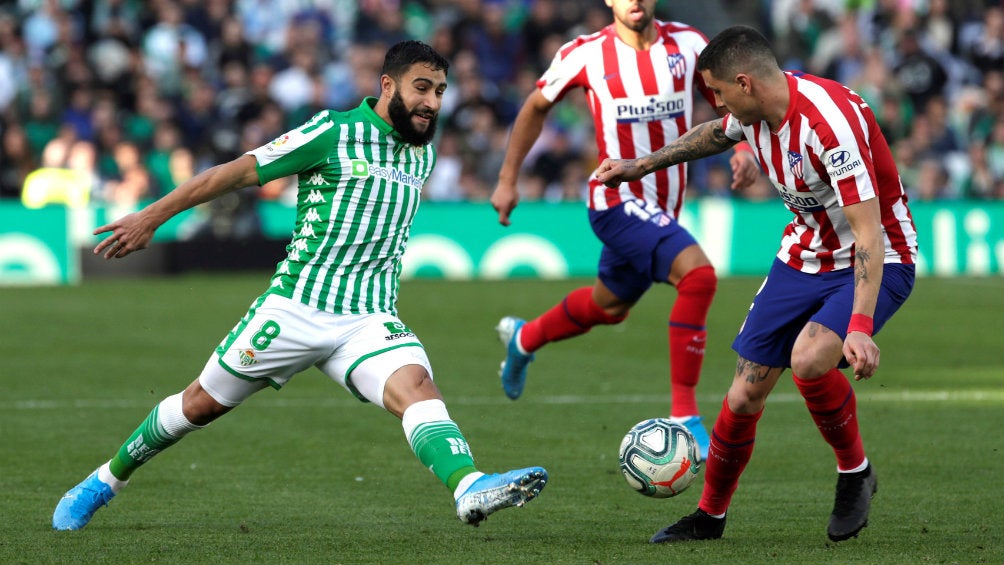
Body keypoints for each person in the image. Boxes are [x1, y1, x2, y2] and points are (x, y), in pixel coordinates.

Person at [52, 40, 547, 531]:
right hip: (295, 308)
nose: (432, 103)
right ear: (388, 85)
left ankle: (469, 485)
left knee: (416, 387)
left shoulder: (422, 156)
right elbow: (237, 172)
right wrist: (150, 217)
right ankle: (104, 481)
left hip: (369, 318)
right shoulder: (333, 131)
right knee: (199, 404)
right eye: (422, 89)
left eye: (440, 91)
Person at [595, 25, 918, 543]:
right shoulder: (756, 111)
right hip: (803, 254)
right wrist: (640, 166)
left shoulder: (827, 125)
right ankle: (709, 517)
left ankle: (855, 473)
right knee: (744, 394)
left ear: (745, 83)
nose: (717, 103)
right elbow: (712, 135)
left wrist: (859, 326)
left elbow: (868, 235)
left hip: (880, 255)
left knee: (810, 360)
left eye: (719, 92)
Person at [489, 0, 760, 458]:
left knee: (608, 305)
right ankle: (685, 417)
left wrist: (741, 148)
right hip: (614, 198)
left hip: (664, 207)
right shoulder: (585, 53)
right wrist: (507, 178)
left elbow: (725, 96)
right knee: (698, 277)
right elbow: (536, 106)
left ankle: (524, 338)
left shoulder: (690, 45)